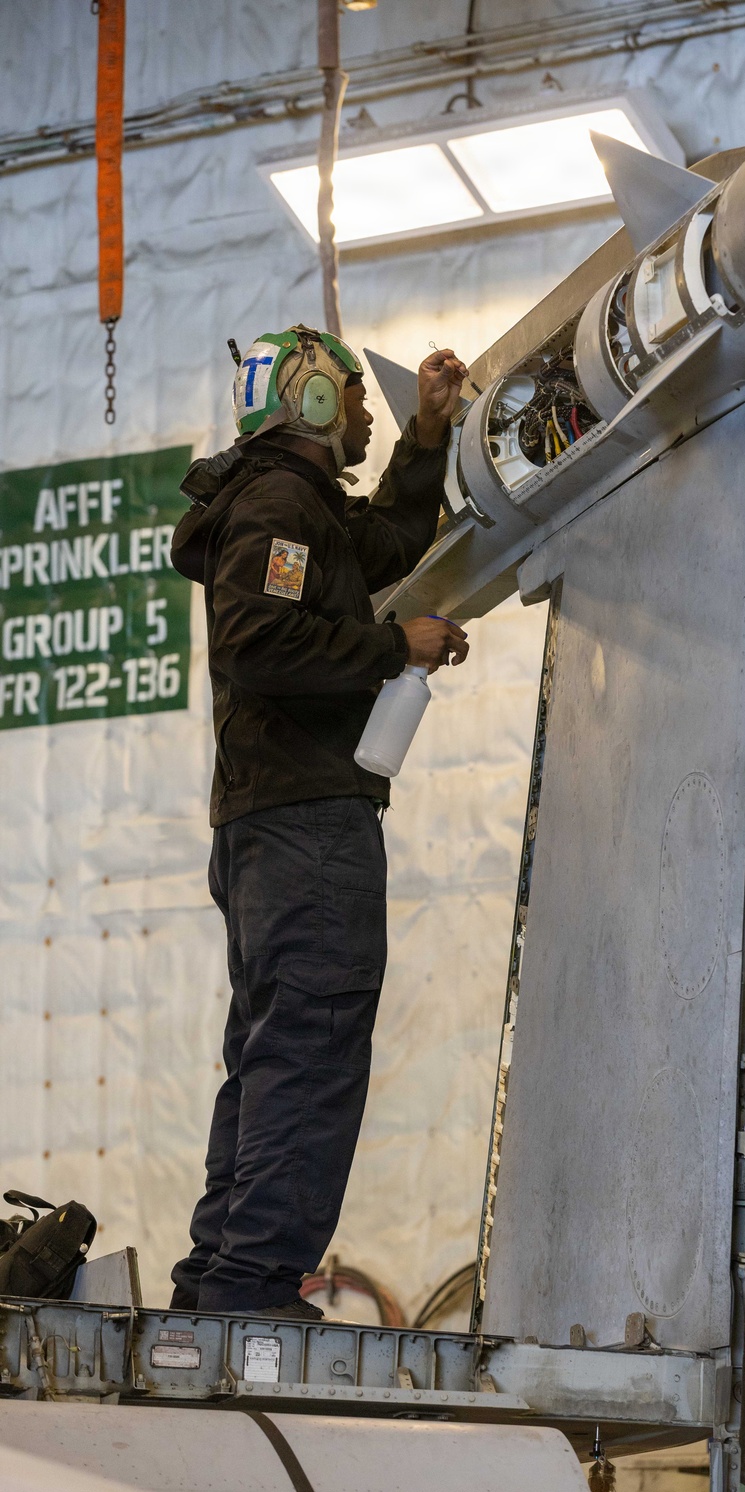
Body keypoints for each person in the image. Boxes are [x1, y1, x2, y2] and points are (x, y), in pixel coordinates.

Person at [168, 325, 469, 1318]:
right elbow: (260, 640)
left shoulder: (298, 508)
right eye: (357, 396)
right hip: (306, 828)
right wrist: (391, 648)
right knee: (310, 1049)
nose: (368, 411)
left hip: (272, 827)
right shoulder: (279, 506)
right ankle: (252, 1285)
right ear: (309, 401)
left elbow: (386, 542)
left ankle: (220, 1277)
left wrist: (427, 439)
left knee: (274, 1052)